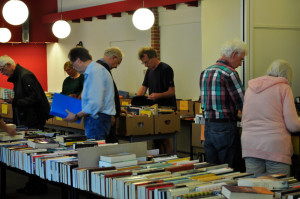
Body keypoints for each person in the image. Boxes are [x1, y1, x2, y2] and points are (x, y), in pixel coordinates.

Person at [0, 55, 50, 195]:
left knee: (34, 153)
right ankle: (32, 183)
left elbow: (35, 98)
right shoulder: (20, 76)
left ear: (10, 65)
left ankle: (39, 185)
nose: (2, 73)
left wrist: (15, 102)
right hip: (28, 119)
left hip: (33, 121)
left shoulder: (25, 76)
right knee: (29, 153)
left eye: (2, 69)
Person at [241, 59, 300, 176]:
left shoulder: (250, 89)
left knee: (254, 189)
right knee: (278, 190)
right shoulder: (284, 88)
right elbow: (293, 125)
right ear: (287, 75)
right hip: (275, 148)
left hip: (250, 146)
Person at [199, 38, 246, 171]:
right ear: (234, 54)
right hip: (225, 127)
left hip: (208, 125)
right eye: (241, 59)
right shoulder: (230, 73)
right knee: (228, 170)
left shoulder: (205, 72)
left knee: (212, 169)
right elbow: (243, 102)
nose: (241, 64)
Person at [64, 47, 116, 141]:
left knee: (94, 152)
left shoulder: (95, 72)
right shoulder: (94, 71)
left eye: (73, 64)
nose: (74, 68)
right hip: (97, 119)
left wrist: (76, 116)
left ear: (78, 61)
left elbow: (95, 103)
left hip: (96, 119)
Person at [136, 47, 176, 155]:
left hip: (166, 109)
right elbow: (143, 87)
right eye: (143, 63)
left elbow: (171, 91)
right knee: (156, 140)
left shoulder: (166, 69)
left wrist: (158, 95)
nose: (145, 65)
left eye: (147, 62)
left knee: (165, 140)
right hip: (154, 109)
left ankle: (171, 162)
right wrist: (136, 100)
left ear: (154, 57)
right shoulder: (149, 71)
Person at [96, 47, 124, 143]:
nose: (116, 66)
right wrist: (110, 113)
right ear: (113, 58)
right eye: (118, 63)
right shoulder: (102, 68)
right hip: (103, 116)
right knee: (108, 145)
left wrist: (117, 107)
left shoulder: (98, 67)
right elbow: (102, 93)